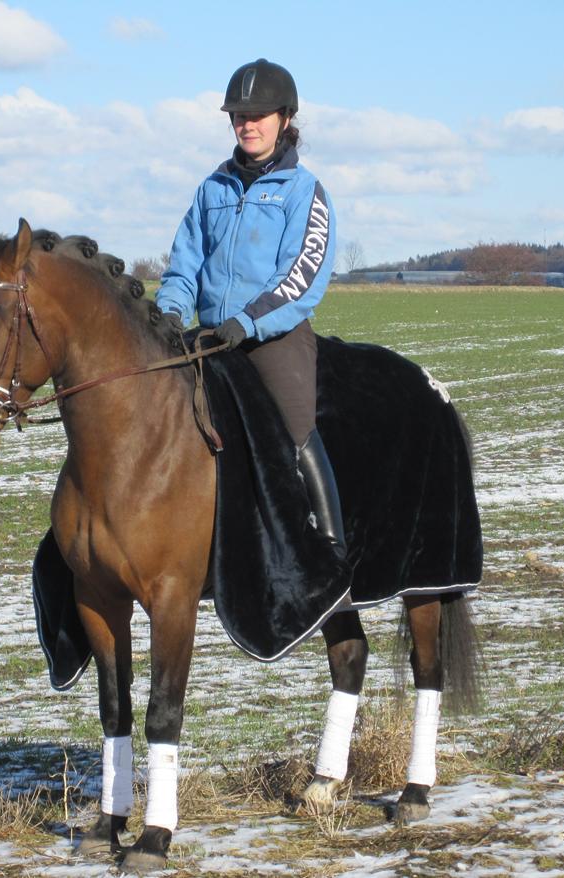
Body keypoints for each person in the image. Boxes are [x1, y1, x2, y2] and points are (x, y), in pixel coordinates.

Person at [156, 58, 343, 553]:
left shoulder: (305, 192)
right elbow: (183, 264)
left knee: (295, 432)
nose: (247, 124)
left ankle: (329, 550)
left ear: (285, 119)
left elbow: (301, 278)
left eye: (258, 115)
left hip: (274, 338)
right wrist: (172, 312)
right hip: (211, 335)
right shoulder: (211, 189)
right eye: (239, 115)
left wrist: (247, 322)